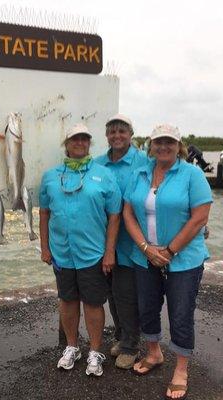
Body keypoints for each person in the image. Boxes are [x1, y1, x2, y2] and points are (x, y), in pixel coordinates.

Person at [122, 124, 212, 400]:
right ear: (151, 145)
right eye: (158, 142)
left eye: (169, 142)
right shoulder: (139, 173)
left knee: (181, 313)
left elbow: (200, 217)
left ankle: (181, 370)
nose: (163, 147)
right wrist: (145, 248)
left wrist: (170, 251)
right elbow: (128, 213)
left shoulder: (192, 174)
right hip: (144, 256)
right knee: (147, 308)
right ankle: (154, 353)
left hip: (183, 259)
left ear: (179, 146)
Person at [39, 122, 121, 377]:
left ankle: (94, 351)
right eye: (75, 139)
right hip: (62, 253)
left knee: (93, 303)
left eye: (85, 139)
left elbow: (115, 216)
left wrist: (110, 252)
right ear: (67, 143)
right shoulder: (51, 176)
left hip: (92, 253)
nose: (80, 143)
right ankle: (72, 346)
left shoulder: (104, 175)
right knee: (67, 300)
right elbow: (44, 212)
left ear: (89, 143)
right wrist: (45, 247)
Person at [94, 114, 148, 369]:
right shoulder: (97, 164)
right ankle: (121, 335)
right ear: (106, 136)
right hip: (103, 238)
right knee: (111, 293)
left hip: (131, 238)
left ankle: (131, 345)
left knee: (125, 293)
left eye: (122, 131)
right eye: (112, 131)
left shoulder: (143, 160)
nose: (117, 136)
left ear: (131, 134)